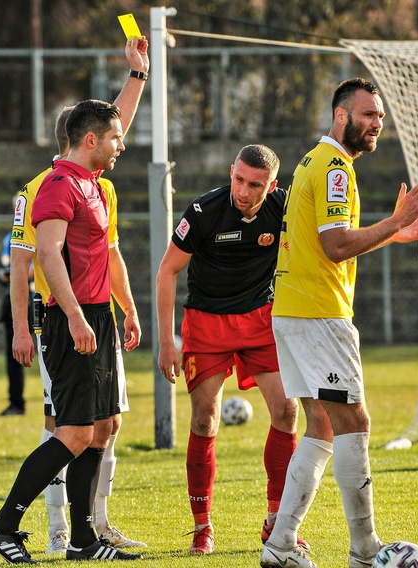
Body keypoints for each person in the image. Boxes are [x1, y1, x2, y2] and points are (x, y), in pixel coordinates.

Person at [0, 45, 148, 566]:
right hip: (67, 317)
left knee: (100, 428)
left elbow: (113, 122)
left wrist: (138, 72)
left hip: (98, 315)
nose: (123, 143)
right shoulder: (51, 187)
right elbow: (41, 256)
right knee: (72, 430)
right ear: (89, 140)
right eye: (114, 138)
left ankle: (82, 541)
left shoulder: (96, 184)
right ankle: (3, 524)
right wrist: (67, 318)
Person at [259, 78, 418, 568]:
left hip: (293, 310)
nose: (376, 123)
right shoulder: (335, 167)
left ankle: (280, 545)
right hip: (318, 313)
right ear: (341, 116)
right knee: (354, 421)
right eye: (366, 115)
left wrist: (391, 235)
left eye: (379, 116)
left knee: (321, 425)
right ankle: (365, 550)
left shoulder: (314, 161)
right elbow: (337, 246)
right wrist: (397, 221)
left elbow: (331, 244)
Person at [156, 144, 301, 555]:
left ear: (271, 186)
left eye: (255, 184)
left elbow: (329, 241)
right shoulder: (204, 212)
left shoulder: (285, 208)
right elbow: (167, 271)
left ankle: (276, 521)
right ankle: (202, 528)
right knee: (205, 420)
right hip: (206, 322)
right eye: (238, 178)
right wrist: (168, 341)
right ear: (231, 172)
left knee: (288, 412)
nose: (243, 190)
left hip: (261, 319)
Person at [0, 231, 28, 416]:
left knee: (52, 355)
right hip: (14, 304)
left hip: (42, 300)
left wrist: (22, 272)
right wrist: (2, 274)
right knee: (14, 357)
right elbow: (2, 268)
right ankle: (16, 403)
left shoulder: (46, 228)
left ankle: (59, 405)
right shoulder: (9, 237)